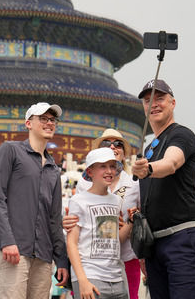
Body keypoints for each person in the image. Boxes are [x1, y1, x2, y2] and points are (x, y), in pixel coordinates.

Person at [131, 79, 195, 299]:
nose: (153, 104)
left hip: (181, 237)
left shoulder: (181, 135)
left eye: (160, 98)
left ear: (173, 103)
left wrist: (148, 169)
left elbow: (171, 162)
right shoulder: (149, 148)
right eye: (147, 101)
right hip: (153, 244)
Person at [0, 101, 68, 299]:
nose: (49, 123)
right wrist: (7, 240)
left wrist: (61, 259)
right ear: (28, 123)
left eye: (53, 120)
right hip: (14, 250)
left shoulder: (53, 168)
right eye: (43, 119)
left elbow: (54, 218)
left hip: (43, 255)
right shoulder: (10, 151)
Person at [65, 128, 141, 299]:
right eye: (107, 143)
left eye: (112, 166)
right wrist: (82, 279)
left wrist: (131, 221)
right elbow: (72, 242)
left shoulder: (123, 195)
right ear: (90, 171)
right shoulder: (79, 197)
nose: (109, 171)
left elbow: (112, 238)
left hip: (117, 272)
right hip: (90, 272)